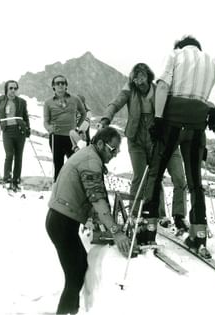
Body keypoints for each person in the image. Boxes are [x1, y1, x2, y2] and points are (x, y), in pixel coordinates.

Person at [139, 36, 215, 258]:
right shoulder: (212, 61)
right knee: (195, 181)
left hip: (172, 120)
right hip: (196, 123)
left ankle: (149, 228)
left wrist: (157, 117)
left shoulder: (175, 54)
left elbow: (163, 85)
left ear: (181, 46)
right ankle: (198, 234)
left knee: (156, 173)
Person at [45, 127, 131, 315]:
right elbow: (97, 198)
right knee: (75, 274)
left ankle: (70, 311)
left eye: (117, 151)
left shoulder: (90, 154)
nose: (115, 154)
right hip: (62, 222)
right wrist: (116, 232)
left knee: (79, 268)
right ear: (100, 144)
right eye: (112, 149)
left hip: (60, 219)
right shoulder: (91, 161)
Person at [99, 63, 188, 230]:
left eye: (141, 76)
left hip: (155, 137)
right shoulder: (129, 91)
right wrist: (106, 118)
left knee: (156, 176)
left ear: (148, 76)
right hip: (136, 138)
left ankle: (161, 215)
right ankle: (134, 214)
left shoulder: (158, 90)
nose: (139, 81)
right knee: (140, 176)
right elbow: (116, 103)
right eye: (135, 77)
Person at [0, 80, 30, 191]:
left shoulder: (21, 101)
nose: (13, 90)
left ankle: (16, 181)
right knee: (9, 155)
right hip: (7, 130)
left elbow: (25, 116)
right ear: (6, 88)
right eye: (11, 88)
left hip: (20, 130)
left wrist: (28, 129)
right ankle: (7, 179)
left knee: (19, 157)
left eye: (15, 88)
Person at [43, 75, 87, 181]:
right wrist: (49, 128)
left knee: (74, 165)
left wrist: (77, 126)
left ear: (66, 85)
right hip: (56, 137)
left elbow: (83, 113)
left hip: (71, 138)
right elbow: (46, 121)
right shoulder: (48, 102)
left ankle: (73, 190)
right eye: (57, 83)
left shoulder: (75, 99)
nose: (60, 85)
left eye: (63, 83)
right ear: (53, 86)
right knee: (58, 165)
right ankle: (58, 191)